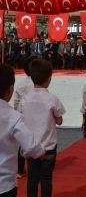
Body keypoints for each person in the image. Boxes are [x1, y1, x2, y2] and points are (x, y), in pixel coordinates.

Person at [18, 59, 65, 197]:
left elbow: (21, 120)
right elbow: (60, 120)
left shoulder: (25, 99)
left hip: (31, 146)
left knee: (32, 178)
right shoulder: (52, 98)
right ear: (49, 79)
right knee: (46, 178)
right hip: (48, 145)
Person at [0, 63, 45, 197]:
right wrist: (41, 152)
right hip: (4, 182)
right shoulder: (13, 116)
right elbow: (31, 146)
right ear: (10, 89)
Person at [13, 56, 37, 179]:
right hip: (37, 116)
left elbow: (16, 103)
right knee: (36, 139)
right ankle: (35, 166)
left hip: (23, 116)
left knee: (23, 142)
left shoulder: (21, 85)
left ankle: (21, 168)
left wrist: (17, 115)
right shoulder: (38, 84)